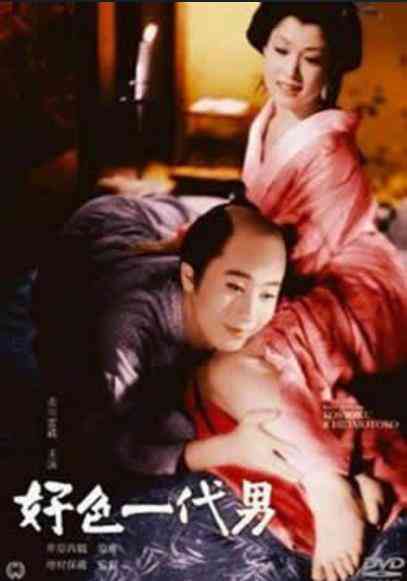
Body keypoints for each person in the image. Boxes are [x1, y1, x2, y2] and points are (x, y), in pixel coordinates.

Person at [182, 3, 407, 581]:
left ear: (332, 67)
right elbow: (251, 215)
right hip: (282, 267)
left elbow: (292, 257)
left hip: (346, 289)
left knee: (229, 365)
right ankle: (352, 477)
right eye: (281, 51)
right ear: (263, 46)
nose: (291, 72)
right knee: (212, 365)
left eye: (311, 59)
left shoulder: (330, 150)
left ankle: (329, 487)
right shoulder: (270, 119)